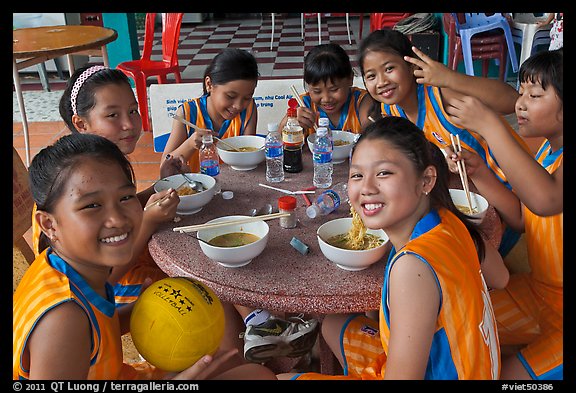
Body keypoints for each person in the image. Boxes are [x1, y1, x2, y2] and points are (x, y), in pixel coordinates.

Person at [13, 133, 277, 380]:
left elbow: (94, 332)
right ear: (49, 224)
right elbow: (76, 334)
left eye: (126, 197)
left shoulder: (67, 266)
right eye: (92, 205)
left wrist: (139, 311)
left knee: (251, 372)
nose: (118, 218)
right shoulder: (63, 320)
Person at [279, 116, 505, 380]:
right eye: (357, 175)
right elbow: (501, 277)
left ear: (426, 180)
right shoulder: (449, 219)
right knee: (333, 324)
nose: (367, 188)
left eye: (384, 173)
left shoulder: (412, 267)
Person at [358, 29, 532, 257]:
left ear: (411, 66)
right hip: (471, 191)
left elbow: (512, 101)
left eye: (389, 69)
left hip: (512, 186)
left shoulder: (440, 95)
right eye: (371, 76)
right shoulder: (391, 109)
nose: (381, 82)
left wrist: (450, 77)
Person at [443, 49, 563, 380]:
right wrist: (479, 170)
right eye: (521, 91)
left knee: (506, 376)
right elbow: (523, 218)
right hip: (539, 295)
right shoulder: (547, 149)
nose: (520, 103)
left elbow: (545, 200)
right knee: (456, 329)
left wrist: (489, 125)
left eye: (535, 95)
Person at [45, 65, 181, 306]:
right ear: (81, 124)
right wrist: (149, 220)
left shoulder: (101, 163)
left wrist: (158, 186)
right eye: (112, 115)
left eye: (133, 110)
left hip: (118, 264)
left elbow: (117, 208)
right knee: (195, 283)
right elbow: (104, 277)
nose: (129, 124)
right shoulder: (79, 182)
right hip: (100, 293)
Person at [161, 48, 259, 173]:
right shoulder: (188, 113)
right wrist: (191, 144)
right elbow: (164, 167)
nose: (239, 106)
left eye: (247, 97)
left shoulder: (248, 110)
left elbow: (247, 159)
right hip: (195, 188)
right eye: (230, 96)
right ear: (209, 84)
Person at [278, 42, 375, 135]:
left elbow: (373, 133)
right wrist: (292, 122)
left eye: (334, 89)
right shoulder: (304, 105)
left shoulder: (361, 101)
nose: (326, 99)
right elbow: (279, 140)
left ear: (350, 79)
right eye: (317, 91)